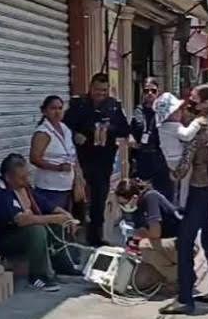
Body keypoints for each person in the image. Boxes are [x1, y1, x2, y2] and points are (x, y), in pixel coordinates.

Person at [160, 84, 208, 316]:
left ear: (206, 104)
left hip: (200, 188)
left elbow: (187, 161)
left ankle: (186, 298)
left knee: (185, 241)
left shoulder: (202, 126)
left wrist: (175, 171)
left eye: (195, 99)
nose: (189, 102)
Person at [0, 153, 79, 292]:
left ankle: (62, 266)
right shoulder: (1, 191)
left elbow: (43, 203)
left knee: (56, 221)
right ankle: (38, 277)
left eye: (27, 176)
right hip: (6, 239)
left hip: (20, 233)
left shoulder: (23, 187)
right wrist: (52, 218)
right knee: (37, 230)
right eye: (22, 178)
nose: (26, 180)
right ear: (8, 177)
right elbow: (21, 220)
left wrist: (64, 214)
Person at [63, 73, 130, 246]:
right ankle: (75, 234)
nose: (101, 93)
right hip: (81, 158)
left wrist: (110, 129)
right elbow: (64, 127)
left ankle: (95, 237)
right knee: (78, 198)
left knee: (99, 199)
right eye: (98, 90)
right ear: (91, 88)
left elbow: (124, 129)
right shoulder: (78, 104)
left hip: (103, 160)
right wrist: (75, 135)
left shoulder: (114, 106)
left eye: (104, 90)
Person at [115, 178, 182, 290]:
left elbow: (155, 233)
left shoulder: (151, 197)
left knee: (144, 245)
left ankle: (179, 277)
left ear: (134, 198)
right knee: (139, 282)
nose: (122, 206)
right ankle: (169, 274)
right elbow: (140, 233)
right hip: (162, 245)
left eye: (123, 203)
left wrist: (142, 237)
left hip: (180, 243)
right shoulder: (135, 209)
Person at [30, 96, 84, 210]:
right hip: (50, 189)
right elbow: (34, 159)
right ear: (44, 111)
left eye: (60, 108)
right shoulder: (43, 132)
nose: (57, 112)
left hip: (67, 187)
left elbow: (73, 156)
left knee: (68, 222)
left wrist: (78, 178)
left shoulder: (65, 128)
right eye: (53, 108)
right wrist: (57, 167)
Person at [154, 92, 206, 206]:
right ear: (170, 114)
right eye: (177, 110)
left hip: (169, 159)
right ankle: (182, 204)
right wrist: (196, 124)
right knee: (185, 182)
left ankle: (177, 202)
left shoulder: (162, 127)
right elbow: (186, 135)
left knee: (177, 183)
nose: (181, 112)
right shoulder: (174, 126)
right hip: (180, 160)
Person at [129, 78, 173, 201]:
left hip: (160, 156)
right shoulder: (138, 111)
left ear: (158, 92)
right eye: (146, 90)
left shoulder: (164, 110)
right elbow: (131, 131)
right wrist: (131, 139)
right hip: (142, 157)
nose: (150, 93)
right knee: (142, 193)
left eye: (153, 91)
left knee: (163, 193)